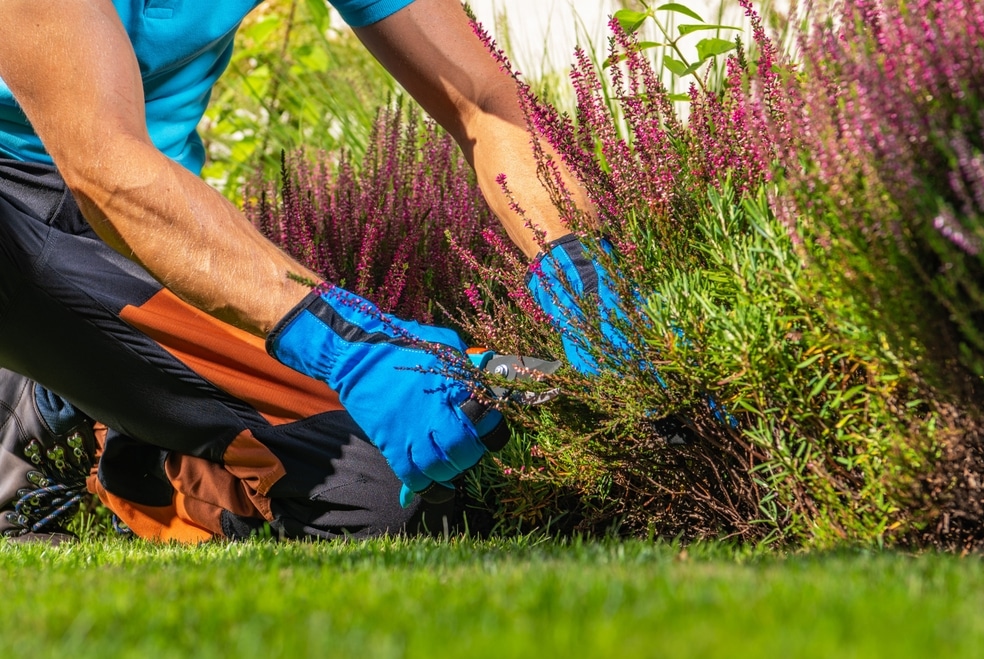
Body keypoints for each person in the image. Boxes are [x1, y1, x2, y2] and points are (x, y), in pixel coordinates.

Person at [0, 0, 625, 543]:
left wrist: (584, 275)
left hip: (155, 219)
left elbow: (486, 104)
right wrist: (348, 345)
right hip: (33, 211)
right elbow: (103, 164)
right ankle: (51, 386)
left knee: (390, 496)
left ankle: (129, 452)